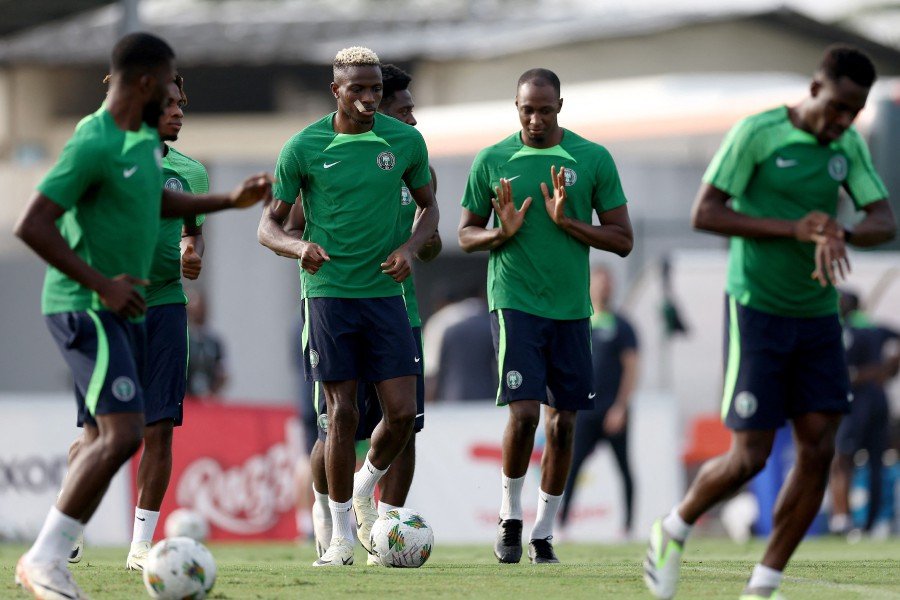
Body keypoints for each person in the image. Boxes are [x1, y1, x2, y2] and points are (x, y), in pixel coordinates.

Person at [13, 32, 272, 599]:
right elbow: (31, 224)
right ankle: (45, 558)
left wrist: (226, 202)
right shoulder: (93, 142)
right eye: (172, 88)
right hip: (87, 306)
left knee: (129, 433)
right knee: (121, 432)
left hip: (131, 307)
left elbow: (158, 201)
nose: (179, 103)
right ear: (149, 84)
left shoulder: (138, 147)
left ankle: (52, 553)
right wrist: (101, 284)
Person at [643, 45, 896, 600]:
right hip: (756, 310)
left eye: (854, 111)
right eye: (837, 107)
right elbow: (704, 212)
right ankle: (674, 527)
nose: (843, 121)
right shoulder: (757, 133)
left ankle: (764, 584)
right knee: (750, 457)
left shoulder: (848, 145)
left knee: (819, 448)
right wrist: (793, 229)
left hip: (818, 317)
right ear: (814, 90)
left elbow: (883, 220)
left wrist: (841, 232)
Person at [257, 47, 439, 567]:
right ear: (335, 90)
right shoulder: (304, 146)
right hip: (330, 295)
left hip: (385, 296)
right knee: (342, 414)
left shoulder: (403, 140)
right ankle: (338, 540)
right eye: (356, 89)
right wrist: (299, 247)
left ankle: (365, 487)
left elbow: (429, 207)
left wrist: (408, 249)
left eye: (374, 89)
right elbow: (268, 225)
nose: (366, 98)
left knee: (403, 415)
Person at [458, 68, 633, 564]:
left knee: (564, 424)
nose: (535, 119)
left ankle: (544, 533)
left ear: (560, 106)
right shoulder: (492, 160)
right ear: (516, 107)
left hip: (572, 310)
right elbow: (466, 233)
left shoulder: (592, 158)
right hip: (514, 302)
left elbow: (623, 239)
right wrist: (500, 233)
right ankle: (510, 516)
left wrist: (570, 223)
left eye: (545, 109)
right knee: (525, 413)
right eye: (526, 109)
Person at [68, 72, 212, 571]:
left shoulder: (191, 173)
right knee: (100, 432)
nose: (179, 112)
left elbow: (192, 236)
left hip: (167, 307)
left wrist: (191, 253)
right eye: (168, 103)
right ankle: (69, 529)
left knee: (159, 428)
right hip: (107, 310)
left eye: (181, 103)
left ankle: (141, 548)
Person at [559, 265, 638, 537]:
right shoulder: (582, 322)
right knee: (572, 466)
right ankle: (562, 525)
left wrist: (621, 407)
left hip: (613, 411)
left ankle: (626, 527)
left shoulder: (622, 326)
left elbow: (631, 368)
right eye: (598, 283)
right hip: (585, 411)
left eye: (607, 283)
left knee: (624, 468)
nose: (603, 288)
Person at [829, 290, 900, 536]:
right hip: (876, 401)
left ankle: (845, 520)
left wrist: (886, 369)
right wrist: (888, 368)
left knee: (844, 459)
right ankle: (871, 522)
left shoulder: (850, 330)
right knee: (875, 462)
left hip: (858, 404)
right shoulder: (873, 329)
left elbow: (848, 373)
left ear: (849, 304)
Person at [185, 287, 228, 397]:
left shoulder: (214, 341)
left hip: (208, 399)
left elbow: (222, 371)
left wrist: (213, 392)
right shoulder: (182, 339)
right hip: (186, 399)